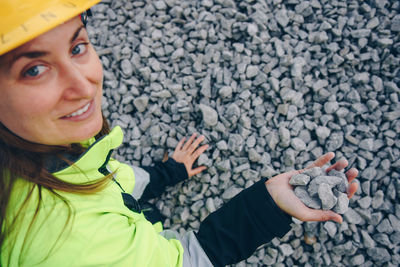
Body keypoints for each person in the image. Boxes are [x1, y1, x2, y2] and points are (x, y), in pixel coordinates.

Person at [0, 1, 358, 266]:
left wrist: (168, 173)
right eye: (34, 70)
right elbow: (187, 261)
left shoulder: (42, 144)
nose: (84, 84)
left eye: (78, 47)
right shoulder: (74, 243)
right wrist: (269, 205)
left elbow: (102, 175)